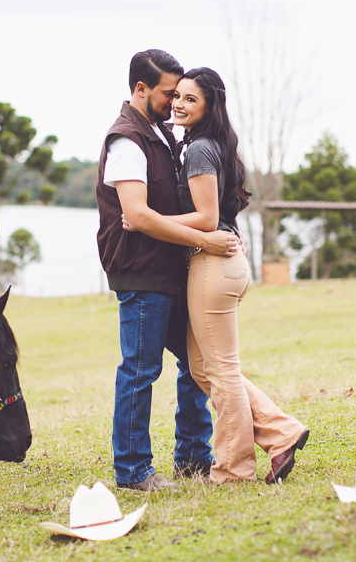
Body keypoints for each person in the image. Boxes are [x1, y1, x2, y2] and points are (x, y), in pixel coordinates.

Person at [125, 67, 309, 484]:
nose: (179, 104)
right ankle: (281, 433)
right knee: (203, 368)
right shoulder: (208, 145)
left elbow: (208, 218)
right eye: (178, 96)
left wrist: (146, 219)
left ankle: (233, 468)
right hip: (218, 264)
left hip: (213, 264)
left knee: (220, 370)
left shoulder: (201, 149)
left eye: (191, 99)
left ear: (209, 106)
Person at [96, 50, 240, 492]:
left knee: (195, 363)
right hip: (141, 270)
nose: (173, 101)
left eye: (180, 94)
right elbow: (136, 215)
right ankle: (134, 470)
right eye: (166, 93)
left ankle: (194, 457)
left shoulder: (158, 134)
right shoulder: (126, 140)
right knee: (140, 369)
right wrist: (205, 237)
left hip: (171, 267)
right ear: (140, 89)